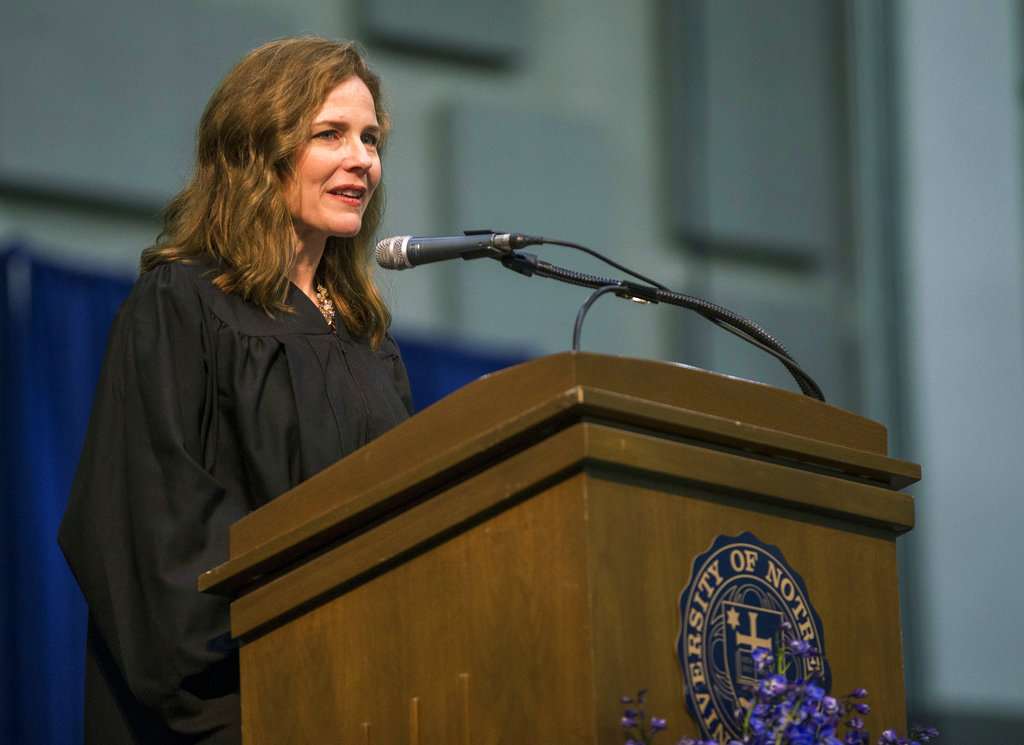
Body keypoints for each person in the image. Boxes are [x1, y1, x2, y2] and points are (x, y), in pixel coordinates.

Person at [57, 38, 413, 744]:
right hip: (239, 709)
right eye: (330, 135)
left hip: (366, 701)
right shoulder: (182, 306)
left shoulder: (369, 340)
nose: (362, 159)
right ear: (258, 148)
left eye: (370, 138)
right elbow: (157, 538)